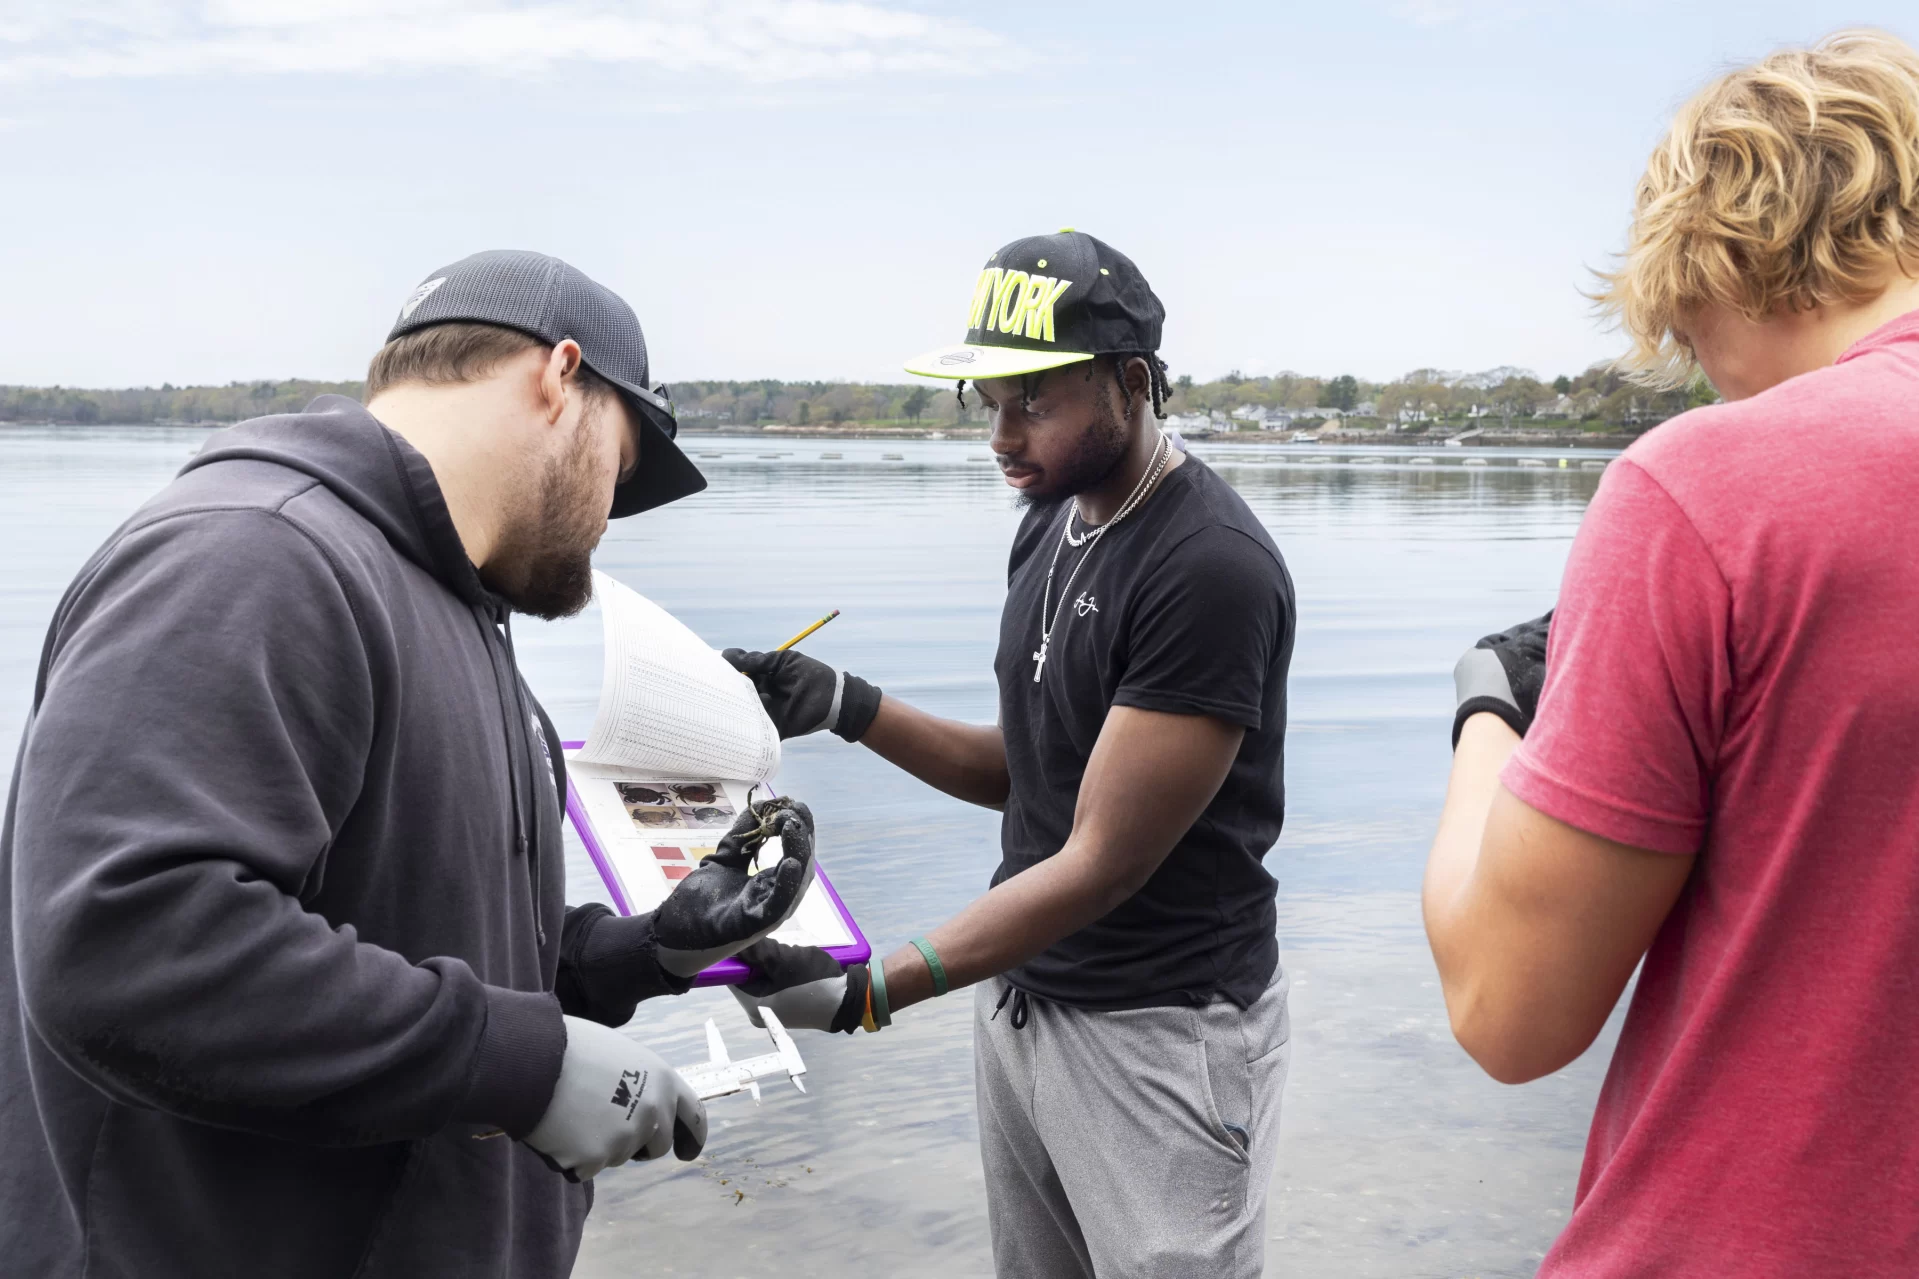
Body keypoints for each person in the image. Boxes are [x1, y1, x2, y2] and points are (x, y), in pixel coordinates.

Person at [0, 249, 817, 1278]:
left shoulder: (452, 608)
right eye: (623, 461)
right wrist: (525, 1064)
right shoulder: (253, 557)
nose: (611, 513)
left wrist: (642, 952)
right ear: (558, 378)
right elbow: (124, 945)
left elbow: (416, 934)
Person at [1422, 30, 1919, 1278]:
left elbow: (1505, 1010)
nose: (1701, 380)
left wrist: (1486, 709)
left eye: (1685, 340)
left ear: (1710, 264)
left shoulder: (1708, 490)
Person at [727, 230, 1297, 1278]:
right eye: (984, 400)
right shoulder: (1051, 519)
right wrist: (846, 704)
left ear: (1128, 384)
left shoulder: (1206, 567)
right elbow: (1031, 773)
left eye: (1032, 400)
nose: (999, 434)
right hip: (1023, 1001)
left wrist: (872, 987)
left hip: (1158, 1035)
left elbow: (1100, 858)